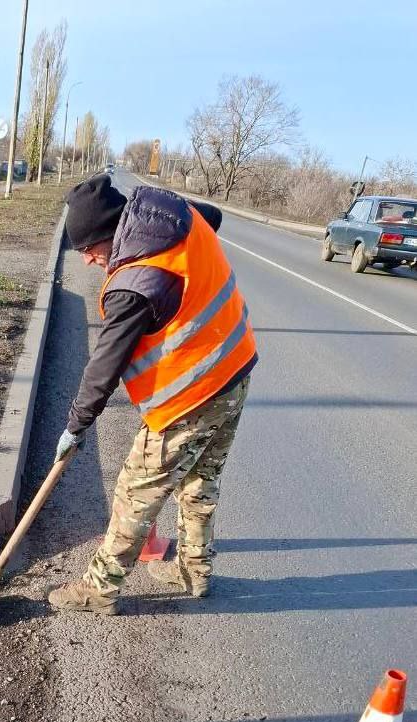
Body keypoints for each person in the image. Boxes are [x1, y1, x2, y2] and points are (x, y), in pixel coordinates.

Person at [48, 175, 257, 616]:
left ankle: (100, 588)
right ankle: (193, 573)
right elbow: (212, 217)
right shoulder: (169, 212)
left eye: (89, 248)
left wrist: (75, 425)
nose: (87, 260)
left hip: (194, 392)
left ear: (111, 232)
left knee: (135, 489)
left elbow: (103, 367)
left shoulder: (134, 284)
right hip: (236, 367)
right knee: (200, 481)